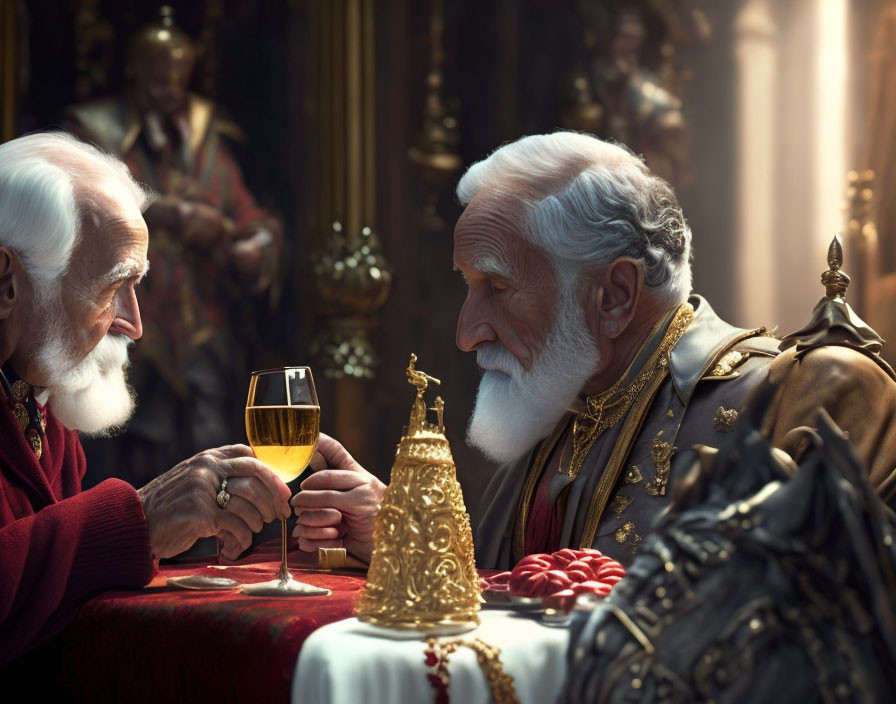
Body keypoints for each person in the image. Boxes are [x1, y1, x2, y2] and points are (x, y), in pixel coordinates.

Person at [292, 132, 896, 569]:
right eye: (467, 289)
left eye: (498, 288)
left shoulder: (810, 396)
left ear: (614, 294)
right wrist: (406, 539)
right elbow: (507, 608)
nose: (467, 332)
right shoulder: (561, 404)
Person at [0, 132, 290, 666]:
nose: (134, 325)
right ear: (6, 284)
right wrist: (139, 521)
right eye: (112, 289)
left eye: (138, 287)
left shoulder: (38, 398)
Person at [64, 8, 282, 488]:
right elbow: (76, 207)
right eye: (158, 82)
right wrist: (169, 215)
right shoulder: (92, 133)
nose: (170, 94)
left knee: (210, 443)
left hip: (200, 323)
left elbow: (247, 214)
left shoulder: (206, 140)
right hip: (117, 320)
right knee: (121, 447)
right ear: (134, 73)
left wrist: (256, 244)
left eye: (177, 83)